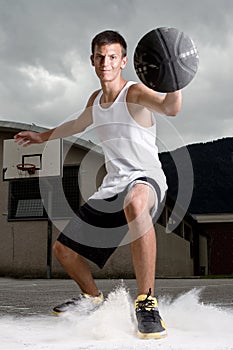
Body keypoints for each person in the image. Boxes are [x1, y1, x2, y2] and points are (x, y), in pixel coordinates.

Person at [14, 30, 182, 339]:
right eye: (101, 57)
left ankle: (146, 302)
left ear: (123, 62)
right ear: (92, 60)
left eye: (113, 57)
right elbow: (76, 124)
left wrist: (175, 80)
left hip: (146, 179)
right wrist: (41, 137)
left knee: (135, 202)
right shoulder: (95, 100)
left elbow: (170, 107)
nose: (106, 63)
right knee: (63, 250)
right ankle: (93, 298)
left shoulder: (134, 93)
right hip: (114, 184)